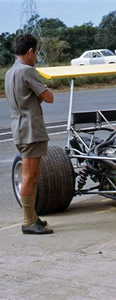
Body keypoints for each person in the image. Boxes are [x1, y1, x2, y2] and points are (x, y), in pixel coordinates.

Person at [5, 34, 54, 234]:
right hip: (32, 129)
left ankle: (32, 216)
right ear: (31, 51)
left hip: (19, 126)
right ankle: (28, 221)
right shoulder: (27, 71)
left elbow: (24, 99)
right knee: (30, 176)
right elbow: (48, 97)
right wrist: (46, 91)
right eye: (36, 52)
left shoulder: (10, 73)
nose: (36, 57)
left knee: (33, 174)